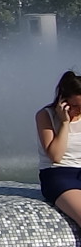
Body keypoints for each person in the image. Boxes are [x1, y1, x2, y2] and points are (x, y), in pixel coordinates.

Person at [36, 70, 81, 226]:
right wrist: (64, 123)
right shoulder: (45, 116)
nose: (79, 110)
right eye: (75, 106)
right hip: (58, 174)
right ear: (63, 101)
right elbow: (55, 156)